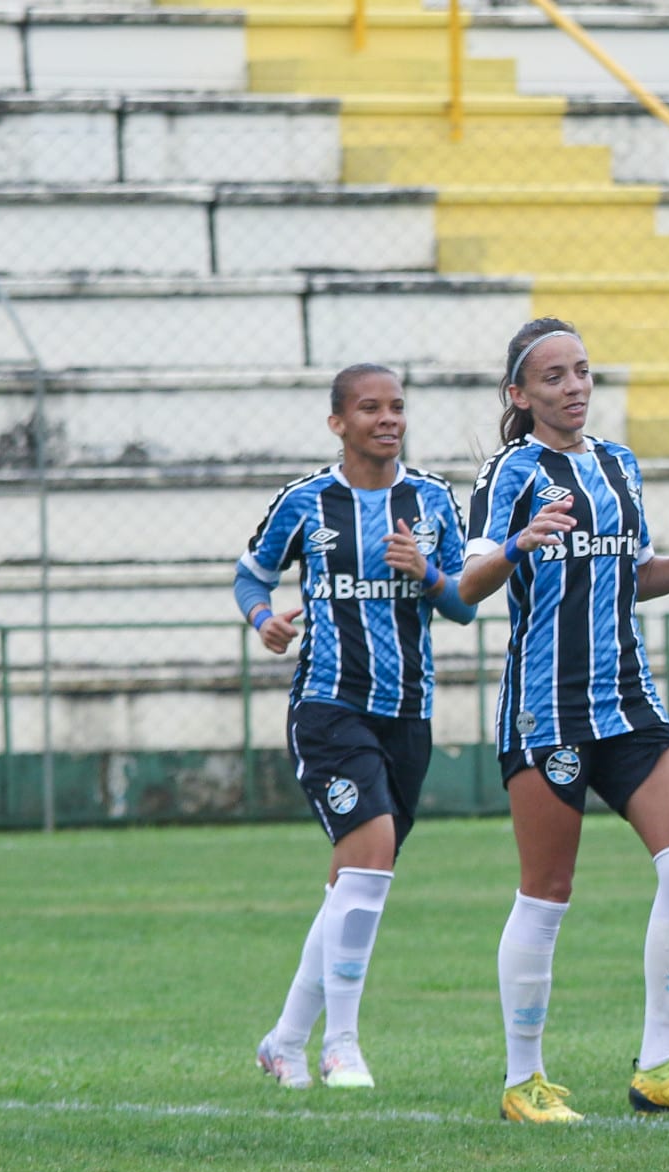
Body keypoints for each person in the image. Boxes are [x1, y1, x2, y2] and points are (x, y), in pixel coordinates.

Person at [458, 318, 669, 1124]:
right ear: (520, 394)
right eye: (552, 377)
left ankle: (659, 1063)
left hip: (628, 700)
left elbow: (631, 575)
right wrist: (517, 543)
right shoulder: (511, 470)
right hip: (547, 709)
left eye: (581, 371)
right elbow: (466, 581)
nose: (573, 386)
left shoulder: (619, 465)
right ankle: (525, 1081)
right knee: (547, 892)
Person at [240, 363, 475, 1091]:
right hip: (328, 705)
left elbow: (464, 601)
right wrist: (264, 618)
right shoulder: (307, 502)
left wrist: (428, 573)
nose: (388, 418)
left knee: (354, 881)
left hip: (408, 712)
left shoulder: (431, 499)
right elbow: (252, 574)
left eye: (397, 406)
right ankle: (341, 1043)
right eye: (370, 407)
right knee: (370, 859)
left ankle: (283, 1041)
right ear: (338, 421)